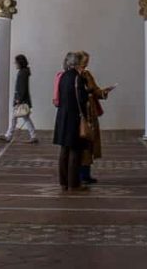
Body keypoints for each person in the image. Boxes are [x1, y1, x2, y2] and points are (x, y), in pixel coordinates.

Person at [53, 51, 90, 192]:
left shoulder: (62, 76)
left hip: (62, 116)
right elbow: (82, 99)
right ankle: (74, 184)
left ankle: (63, 182)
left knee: (64, 151)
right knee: (75, 151)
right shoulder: (77, 78)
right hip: (74, 118)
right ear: (76, 63)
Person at [78, 50, 114, 184]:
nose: (86, 66)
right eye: (84, 63)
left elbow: (95, 90)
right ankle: (79, 174)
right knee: (82, 143)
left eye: (87, 63)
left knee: (89, 143)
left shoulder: (87, 74)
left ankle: (86, 174)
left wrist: (104, 92)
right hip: (82, 113)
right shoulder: (74, 76)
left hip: (90, 113)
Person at [3, 54, 38, 143]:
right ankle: (33, 135)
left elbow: (22, 88)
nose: (15, 64)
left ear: (20, 63)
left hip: (20, 100)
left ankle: (9, 135)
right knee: (25, 118)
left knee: (15, 118)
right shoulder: (24, 72)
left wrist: (18, 99)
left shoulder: (22, 73)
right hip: (23, 100)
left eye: (16, 62)